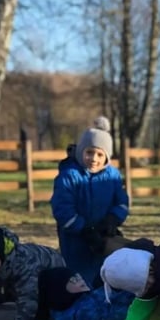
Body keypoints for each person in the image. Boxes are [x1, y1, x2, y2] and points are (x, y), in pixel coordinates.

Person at [50, 117, 129, 285]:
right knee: (78, 276)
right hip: (75, 238)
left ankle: (100, 302)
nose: (94, 158)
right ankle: (77, 305)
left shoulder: (112, 176)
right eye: (89, 152)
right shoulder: (69, 176)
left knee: (103, 275)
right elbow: (62, 208)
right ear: (81, 151)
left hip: (103, 235)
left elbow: (121, 201)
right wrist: (84, 229)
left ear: (107, 157)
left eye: (100, 154)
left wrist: (112, 219)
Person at [36, 267, 134, 320]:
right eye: (72, 280)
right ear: (59, 291)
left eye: (77, 276)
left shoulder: (84, 298)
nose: (80, 280)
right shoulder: (82, 315)